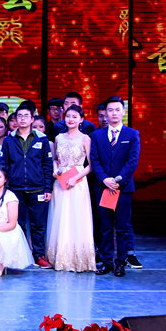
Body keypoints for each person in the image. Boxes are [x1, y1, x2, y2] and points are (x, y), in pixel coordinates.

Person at [90, 96, 141, 277]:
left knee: (122, 226)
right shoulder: (97, 135)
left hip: (123, 188)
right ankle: (106, 261)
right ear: (105, 113)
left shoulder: (132, 134)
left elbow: (132, 161)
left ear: (123, 112)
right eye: (110, 110)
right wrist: (105, 179)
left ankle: (120, 262)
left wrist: (117, 180)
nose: (113, 113)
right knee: (104, 226)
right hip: (103, 187)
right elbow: (94, 160)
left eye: (117, 109)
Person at [0, 103, 54, 269]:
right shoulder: (9, 140)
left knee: (38, 225)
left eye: (26, 116)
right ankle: (19, 256)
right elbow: (4, 164)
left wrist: (48, 188)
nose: (22, 119)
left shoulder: (41, 139)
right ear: (15, 119)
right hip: (15, 189)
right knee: (18, 225)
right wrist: (5, 187)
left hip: (38, 188)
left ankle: (39, 256)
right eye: (19, 116)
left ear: (32, 119)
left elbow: (47, 165)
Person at [46, 106, 96, 273]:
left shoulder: (85, 138)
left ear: (81, 119)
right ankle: (58, 258)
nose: (71, 119)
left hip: (77, 182)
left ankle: (77, 259)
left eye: (75, 116)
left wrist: (76, 178)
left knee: (76, 217)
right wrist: (55, 169)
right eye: (68, 116)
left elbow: (91, 165)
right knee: (60, 217)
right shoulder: (58, 138)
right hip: (60, 181)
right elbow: (55, 159)